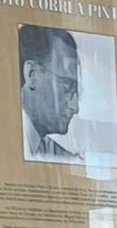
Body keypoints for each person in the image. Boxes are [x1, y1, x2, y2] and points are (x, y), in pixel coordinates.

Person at [19, 25, 82, 164]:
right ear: (32, 75)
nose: (75, 107)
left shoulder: (54, 154)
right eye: (66, 85)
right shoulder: (1, 141)